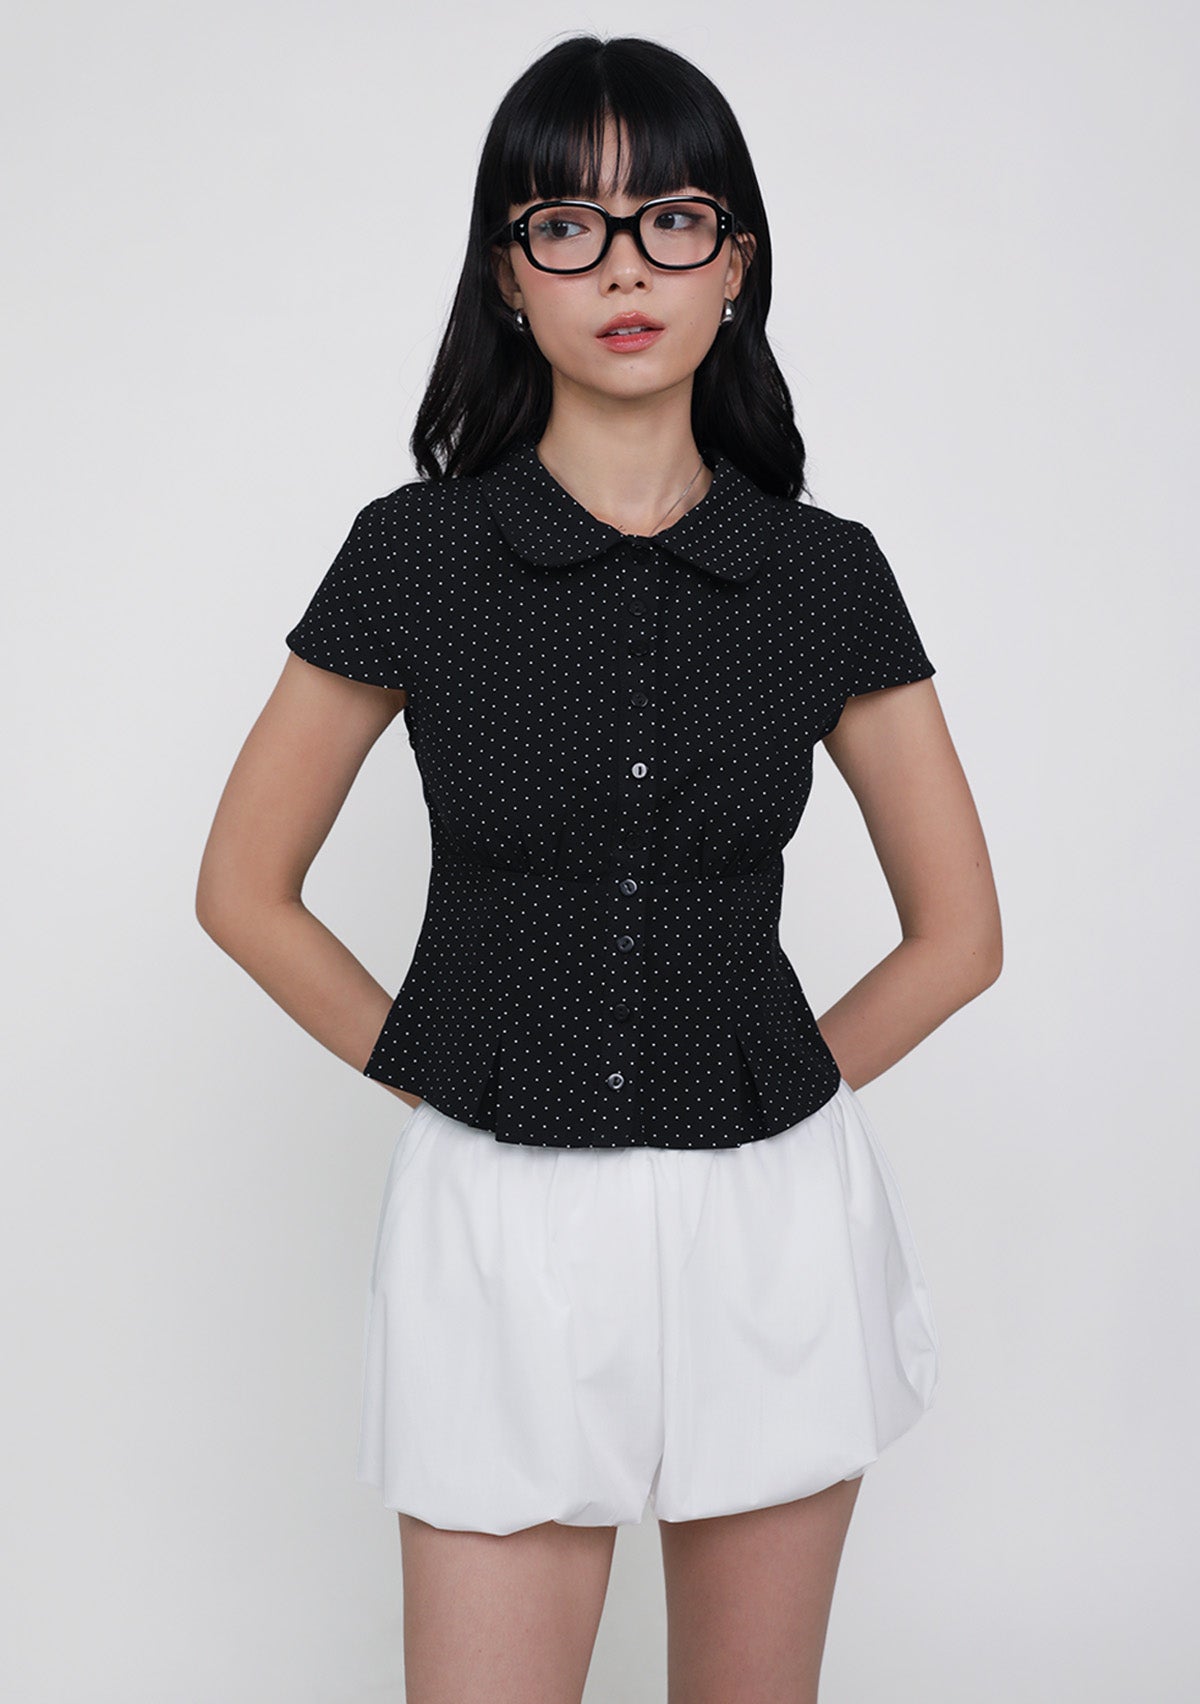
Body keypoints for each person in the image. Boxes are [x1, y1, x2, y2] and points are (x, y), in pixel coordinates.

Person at [195, 32, 1001, 1704]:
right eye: (567, 225)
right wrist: (445, 1072)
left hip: (771, 1216)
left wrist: (774, 1084)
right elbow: (244, 888)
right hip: (498, 1217)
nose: (624, 267)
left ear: (736, 264)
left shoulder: (824, 576)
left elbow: (960, 935)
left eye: (672, 220)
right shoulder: (416, 553)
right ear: (509, 275)